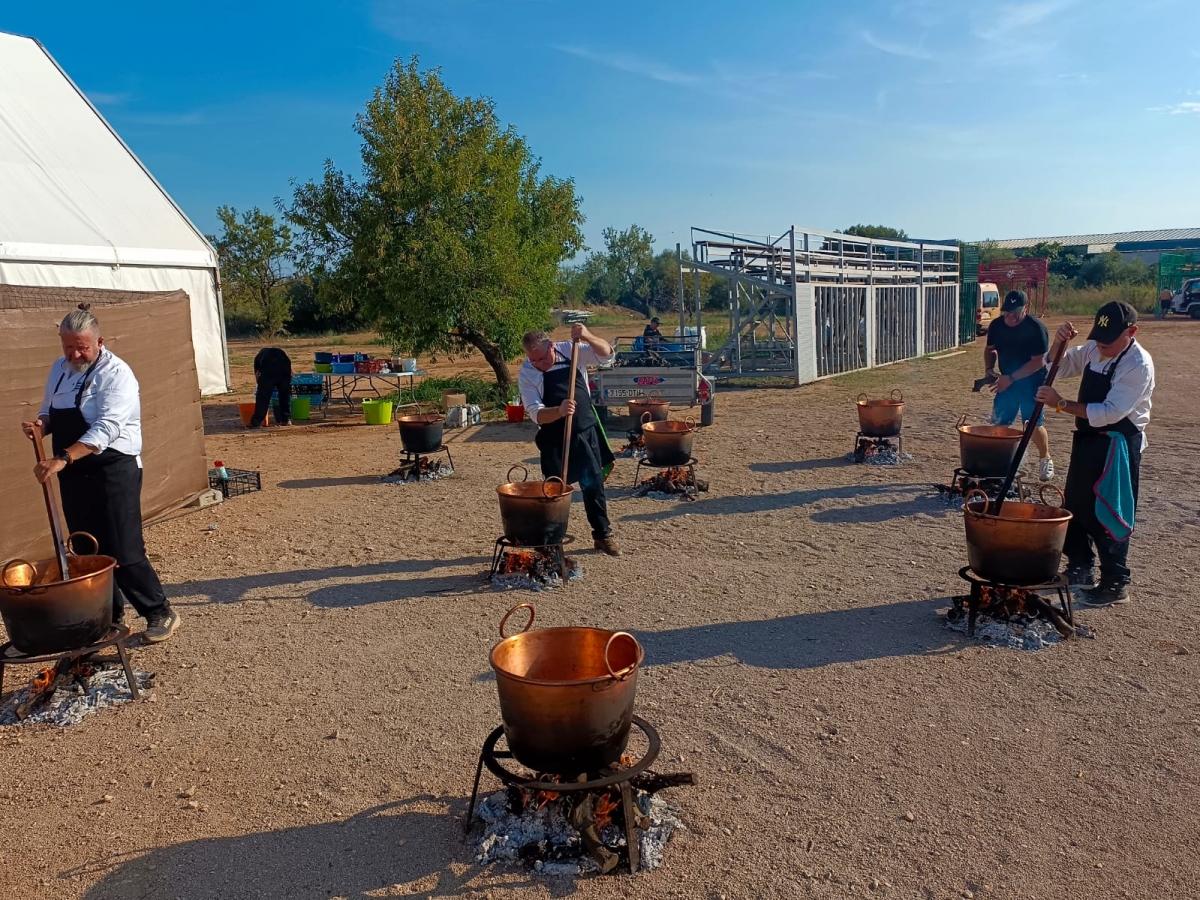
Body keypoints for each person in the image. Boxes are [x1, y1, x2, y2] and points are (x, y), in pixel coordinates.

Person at [22, 305, 181, 641]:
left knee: (122, 546)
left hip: (113, 467)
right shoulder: (59, 369)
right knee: (86, 548)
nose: (75, 353)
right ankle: (107, 618)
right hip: (73, 470)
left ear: (100, 341)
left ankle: (159, 612)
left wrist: (64, 457)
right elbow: (50, 408)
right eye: (69, 347)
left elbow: (107, 427)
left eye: (82, 347)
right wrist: (41, 425)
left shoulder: (116, 373)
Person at [1035, 301, 1155, 606]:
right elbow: (1055, 367)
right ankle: (1080, 566)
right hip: (1088, 439)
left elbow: (1111, 412)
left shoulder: (1138, 365)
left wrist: (1061, 404)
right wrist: (1059, 343)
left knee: (1109, 510)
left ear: (1132, 332)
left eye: (1110, 339)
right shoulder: (1093, 350)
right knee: (1076, 504)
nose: (1102, 345)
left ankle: (1116, 582)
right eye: (1099, 338)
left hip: (1117, 444)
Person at [518, 325, 620, 556]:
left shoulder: (571, 349)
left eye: (542, 359)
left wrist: (586, 335)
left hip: (584, 430)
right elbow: (535, 412)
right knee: (554, 491)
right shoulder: (527, 373)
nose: (539, 364)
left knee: (593, 485)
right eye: (534, 361)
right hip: (553, 437)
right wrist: (558, 411)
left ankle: (602, 535)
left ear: (551, 346)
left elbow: (606, 355)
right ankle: (552, 541)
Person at [983, 290, 1054, 482]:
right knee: (999, 423)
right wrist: (989, 368)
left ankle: (1045, 458)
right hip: (1007, 381)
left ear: (1025, 309)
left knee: (1031, 424)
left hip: (1033, 381)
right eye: (1007, 311)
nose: (1010, 316)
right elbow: (990, 350)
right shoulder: (997, 325)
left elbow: (1038, 362)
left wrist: (1011, 378)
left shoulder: (1036, 329)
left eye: (1015, 312)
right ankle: (998, 464)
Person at [250, 347, 293, 427]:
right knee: (284, 395)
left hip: (269, 372)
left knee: (263, 397)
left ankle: (256, 422)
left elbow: (257, 375)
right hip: (284, 370)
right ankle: (286, 419)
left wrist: (262, 386)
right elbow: (290, 370)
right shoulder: (280, 352)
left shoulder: (259, 357)